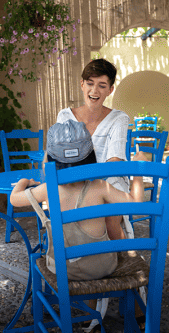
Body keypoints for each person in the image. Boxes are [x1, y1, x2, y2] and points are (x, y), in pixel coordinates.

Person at [10, 120, 149, 281]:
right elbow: (136, 202)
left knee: (40, 256)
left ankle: (80, 300)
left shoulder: (48, 189)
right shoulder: (100, 186)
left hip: (64, 270)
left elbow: (14, 199)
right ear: (91, 157)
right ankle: (93, 300)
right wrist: (139, 168)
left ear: (49, 161)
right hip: (104, 267)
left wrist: (24, 182)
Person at [56, 58, 132, 240]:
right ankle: (82, 256)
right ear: (82, 84)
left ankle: (124, 256)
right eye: (90, 83)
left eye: (102, 85)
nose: (94, 90)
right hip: (75, 179)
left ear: (110, 90)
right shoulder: (65, 116)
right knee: (66, 208)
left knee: (108, 213)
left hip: (111, 179)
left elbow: (114, 161)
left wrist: (91, 182)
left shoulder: (119, 118)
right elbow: (61, 157)